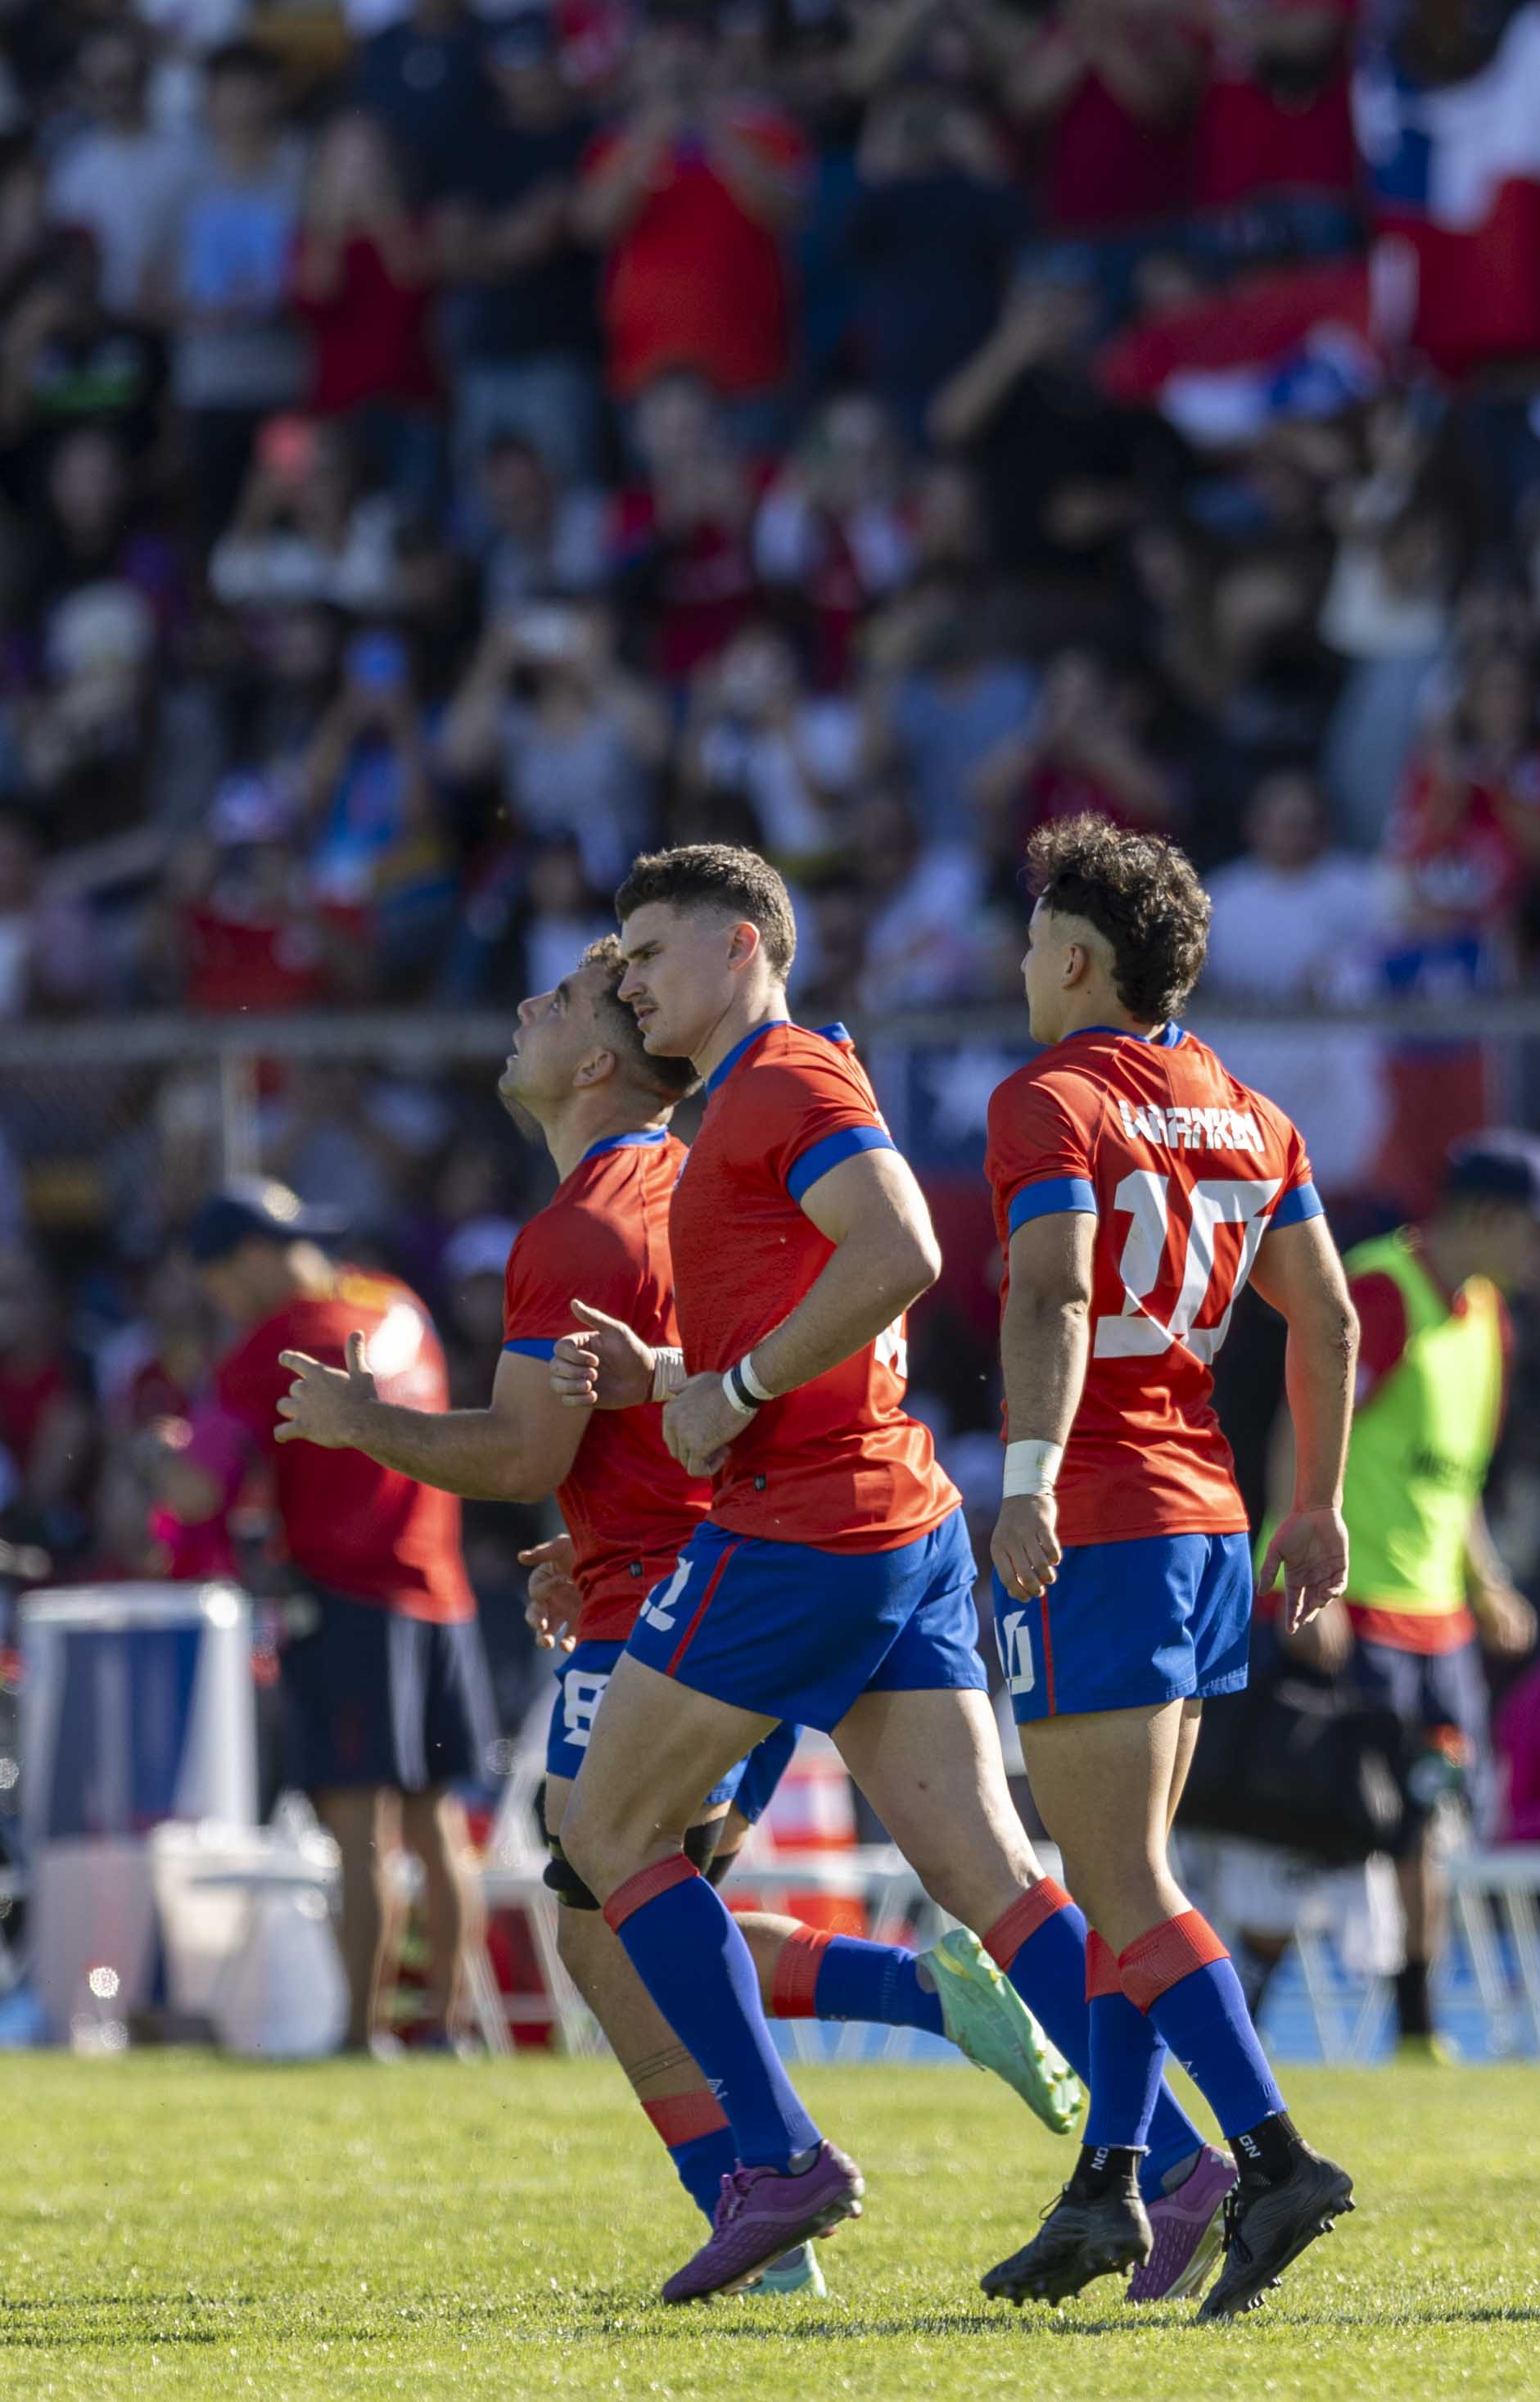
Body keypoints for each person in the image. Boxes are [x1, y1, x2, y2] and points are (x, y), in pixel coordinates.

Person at [272, 941, 1082, 2294]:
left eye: (556, 1002)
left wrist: (366, 1425)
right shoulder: (702, 1180)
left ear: (597, 1058)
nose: (523, 1009)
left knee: (606, 1906)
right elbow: (676, 1401)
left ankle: (774, 2179)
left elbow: (521, 1448)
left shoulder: (583, 1223)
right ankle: (949, 2076)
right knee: (643, 1907)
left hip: (691, 1597)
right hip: (749, 1555)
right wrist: (591, 1528)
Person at [542, 844, 1121, 2303]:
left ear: (742, 944)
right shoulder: (763, 1091)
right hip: (892, 1511)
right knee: (990, 1874)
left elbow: (904, 1247)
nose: (627, 982)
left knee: (607, 1838)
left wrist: (727, 1393)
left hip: (805, 1522)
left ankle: (779, 2161)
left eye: (648, 952)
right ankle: (1170, 2160)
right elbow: (827, 1303)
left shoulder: (782, 1078)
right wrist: (683, 1378)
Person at [974, 814, 1365, 2317]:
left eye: (1034, 941)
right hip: (1206, 1515)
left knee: (1120, 1876)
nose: (1022, 964)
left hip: (1100, 1509)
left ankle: (1273, 2158)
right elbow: (1328, 1318)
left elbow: (1055, 1296)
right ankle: (1110, 2183)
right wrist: (1315, 1504)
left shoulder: (1050, 1098)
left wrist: (1024, 1479)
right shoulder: (1251, 1112)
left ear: (1079, 960)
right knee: (1122, 1869)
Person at [186, 1181, 482, 2057]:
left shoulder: (273, 1343)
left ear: (247, 1259)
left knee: (358, 1831)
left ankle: (359, 2036)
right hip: (442, 1591)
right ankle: (447, 2027)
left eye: (217, 1283)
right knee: (435, 1824)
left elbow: (195, 1491)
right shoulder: (399, 1304)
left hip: (350, 1602)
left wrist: (154, 1461)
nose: (222, 1304)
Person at [1305, 1129, 1540, 2060]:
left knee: (1429, 1822)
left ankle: (1416, 2033)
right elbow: (1303, 1431)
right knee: (1305, 1827)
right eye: (1537, 1230)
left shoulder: (1489, 1317)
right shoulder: (1380, 1291)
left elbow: (1457, 1480)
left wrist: (1487, 1584)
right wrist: (1305, 1585)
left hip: (1437, 1624)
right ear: (1488, 1217)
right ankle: (1236, 2016)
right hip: (1355, 1609)